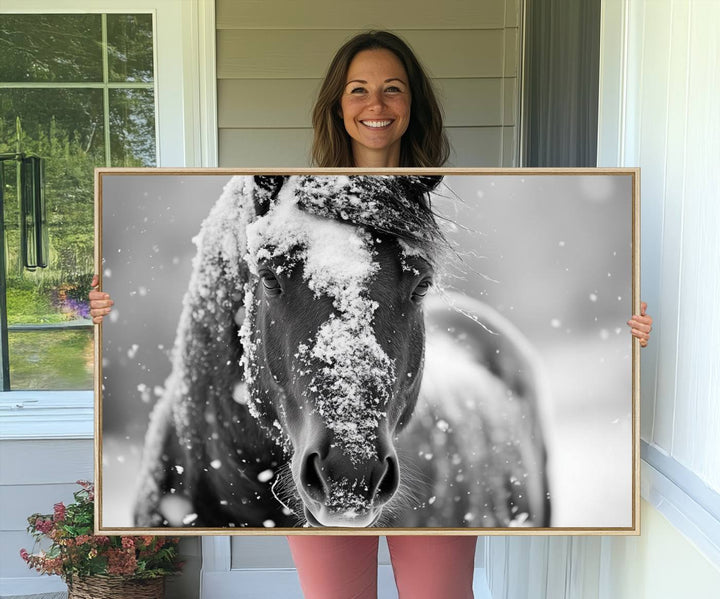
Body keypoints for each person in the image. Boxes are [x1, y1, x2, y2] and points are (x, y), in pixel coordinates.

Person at [90, 30, 653, 599]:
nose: (376, 105)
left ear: (413, 104)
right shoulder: (287, 199)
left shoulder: (428, 190)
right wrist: (95, 310)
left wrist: (636, 330)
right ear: (338, 105)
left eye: (392, 89)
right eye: (358, 90)